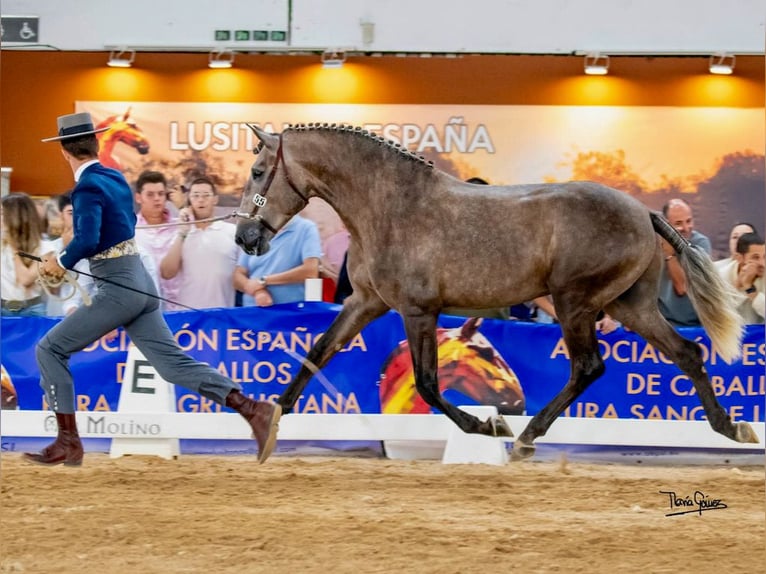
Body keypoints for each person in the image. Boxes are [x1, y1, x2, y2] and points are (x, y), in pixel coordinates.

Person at [26, 112, 278, 467]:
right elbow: (122, 225)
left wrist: (60, 261)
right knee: (172, 364)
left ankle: (68, 441)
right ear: (95, 144)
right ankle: (252, 409)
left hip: (118, 287)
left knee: (50, 349)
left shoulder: (85, 188)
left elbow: (87, 238)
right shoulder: (115, 177)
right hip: (139, 281)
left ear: (64, 151)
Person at [160, 176, 240, 309]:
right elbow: (167, 273)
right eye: (195, 196)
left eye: (206, 195)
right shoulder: (179, 233)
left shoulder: (232, 232)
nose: (201, 200)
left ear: (215, 199)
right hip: (188, 318)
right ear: (189, 199)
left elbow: (243, 273)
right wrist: (183, 233)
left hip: (223, 316)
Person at [233, 214, 322, 306]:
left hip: (290, 312)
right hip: (254, 311)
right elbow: (238, 276)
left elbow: (310, 271)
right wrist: (258, 291)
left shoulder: (306, 228)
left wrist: (263, 281)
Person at [133, 170, 185, 311]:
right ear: (138, 197)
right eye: (150, 195)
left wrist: (183, 208)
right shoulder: (129, 231)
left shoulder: (180, 225)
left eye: (161, 194)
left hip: (181, 310)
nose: (157, 199)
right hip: (144, 311)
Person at [658, 198, 712, 327]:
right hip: (663, 323)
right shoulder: (653, 243)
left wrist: (670, 254)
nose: (686, 228)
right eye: (679, 223)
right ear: (666, 225)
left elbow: (682, 287)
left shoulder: (701, 244)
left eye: (689, 221)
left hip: (696, 324)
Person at [1, 192, 54, 317]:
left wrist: (15, 249)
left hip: (32, 311)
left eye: (2, 213)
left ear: (16, 217)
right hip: (2, 309)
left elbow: (25, 279)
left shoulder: (46, 249)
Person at [717, 232, 764, 324]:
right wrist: (737, 286)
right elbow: (720, 316)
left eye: (764, 257)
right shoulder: (721, 275)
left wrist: (749, 288)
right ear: (739, 258)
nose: (762, 263)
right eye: (755, 257)